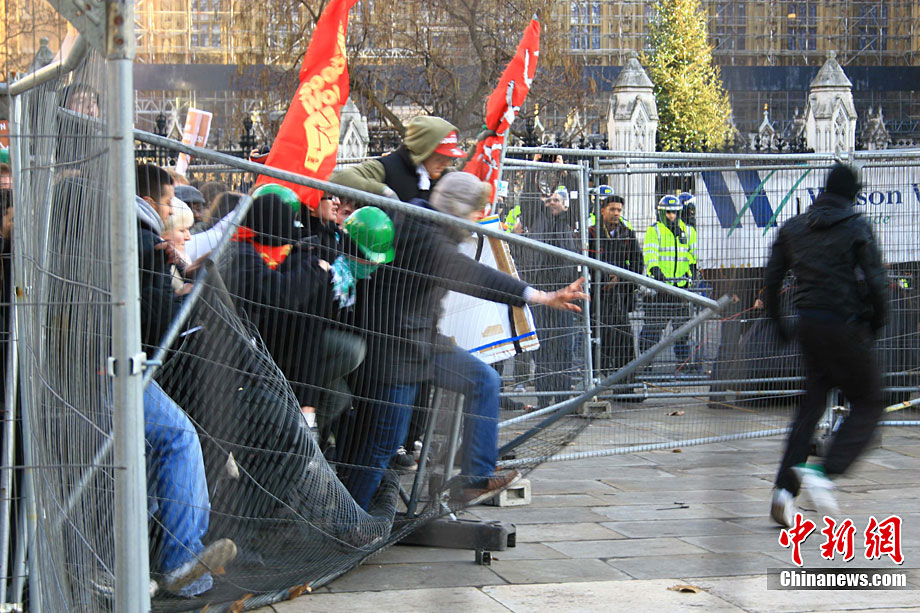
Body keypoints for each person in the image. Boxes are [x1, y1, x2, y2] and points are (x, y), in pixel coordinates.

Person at [337, 172, 587, 510]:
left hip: (424, 342)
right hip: (397, 350)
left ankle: (474, 479)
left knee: (484, 379)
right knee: (383, 443)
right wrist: (540, 296)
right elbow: (476, 277)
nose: (478, 219)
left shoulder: (427, 222)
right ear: (458, 210)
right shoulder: (427, 237)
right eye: (475, 211)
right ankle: (349, 520)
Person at [765, 163, 887, 528]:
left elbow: (771, 280)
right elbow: (876, 281)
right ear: (852, 194)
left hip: (809, 326)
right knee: (869, 402)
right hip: (846, 325)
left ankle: (784, 493)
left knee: (810, 409)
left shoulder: (794, 227)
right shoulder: (856, 226)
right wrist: (875, 324)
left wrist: (780, 324)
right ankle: (825, 471)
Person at [135, 163, 237, 596]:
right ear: (149, 200)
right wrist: (176, 293)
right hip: (116, 369)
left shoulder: (138, 237)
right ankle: (180, 562)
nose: (170, 211)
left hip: (112, 365)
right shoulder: (144, 239)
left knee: (156, 448)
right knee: (178, 438)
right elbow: (157, 326)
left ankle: (150, 553)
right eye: (166, 202)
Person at [330, 115, 465, 202]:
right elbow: (339, 178)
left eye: (449, 158)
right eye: (439, 158)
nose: (446, 163)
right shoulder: (388, 167)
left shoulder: (446, 176)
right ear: (423, 151)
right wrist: (383, 192)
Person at [638, 194, 698, 371]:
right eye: (668, 212)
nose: (672, 216)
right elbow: (650, 254)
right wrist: (656, 271)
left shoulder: (688, 231)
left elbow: (693, 255)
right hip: (661, 289)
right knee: (653, 329)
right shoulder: (654, 230)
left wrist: (692, 272)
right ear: (661, 213)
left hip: (681, 288)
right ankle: (645, 362)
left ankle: (683, 363)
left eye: (675, 212)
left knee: (682, 330)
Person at [588, 194, 643, 378]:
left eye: (619, 210)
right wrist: (603, 279)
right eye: (612, 209)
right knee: (598, 339)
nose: (616, 213)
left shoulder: (627, 234)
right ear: (603, 211)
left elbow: (637, 263)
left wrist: (620, 278)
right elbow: (586, 262)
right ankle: (597, 380)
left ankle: (625, 383)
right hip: (598, 298)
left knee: (624, 340)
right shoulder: (592, 234)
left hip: (620, 297)